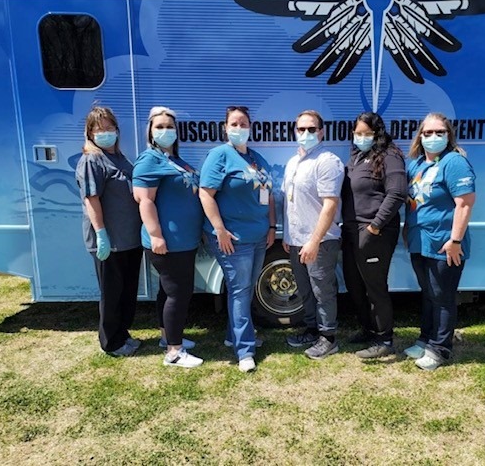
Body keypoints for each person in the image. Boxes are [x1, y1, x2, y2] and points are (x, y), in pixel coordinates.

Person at [199, 106, 275, 373]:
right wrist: (219, 229)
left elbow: (268, 194)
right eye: (234, 123)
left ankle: (235, 336)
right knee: (240, 291)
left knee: (245, 289)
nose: (239, 127)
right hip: (234, 238)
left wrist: (272, 226)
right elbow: (206, 194)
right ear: (225, 127)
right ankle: (245, 350)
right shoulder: (219, 155)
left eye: (244, 123)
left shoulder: (256, 159)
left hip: (258, 236)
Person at [403, 112, 476, 370]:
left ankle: (440, 349)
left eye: (439, 133)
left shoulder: (454, 162)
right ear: (420, 136)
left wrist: (455, 240)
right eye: (427, 133)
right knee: (429, 294)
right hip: (419, 241)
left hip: (446, 244)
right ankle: (425, 339)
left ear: (448, 135)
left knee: (443, 296)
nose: (432, 137)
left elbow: (465, 204)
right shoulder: (416, 164)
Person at [133, 106, 204, 368]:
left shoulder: (174, 159)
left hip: (184, 241)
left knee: (168, 290)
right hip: (168, 242)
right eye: (159, 127)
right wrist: (156, 235)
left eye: (170, 126)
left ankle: (168, 338)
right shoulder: (149, 159)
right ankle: (174, 353)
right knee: (179, 293)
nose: (165, 131)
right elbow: (144, 201)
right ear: (150, 132)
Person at [76, 106, 143, 357]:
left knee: (127, 291)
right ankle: (110, 343)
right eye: (99, 129)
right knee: (112, 293)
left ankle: (122, 334)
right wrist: (101, 233)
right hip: (110, 241)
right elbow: (91, 199)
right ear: (90, 133)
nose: (105, 132)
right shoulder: (92, 160)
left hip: (129, 239)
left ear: (116, 129)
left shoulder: (120, 158)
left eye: (109, 127)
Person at [341, 112, 406, 358]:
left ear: (377, 133)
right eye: (358, 133)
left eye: (367, 133)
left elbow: (397, 194)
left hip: (374, 232)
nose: (361, 137)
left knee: (375, 287)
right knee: (355, 285)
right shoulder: (357, 156)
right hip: (350, 231)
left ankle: (384, 339)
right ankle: (367, 329)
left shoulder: (390, 156)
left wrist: (375, 227)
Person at [283, 110, 344, 360]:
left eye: (311, 129)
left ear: (321, 132)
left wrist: (314, 241)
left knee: (322, 290)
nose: (306, 134)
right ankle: (311, 329)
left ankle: (328, 338)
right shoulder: (293, 162)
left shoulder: (327, 161)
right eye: (301, 129)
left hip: (320, 241)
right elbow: (290, 201)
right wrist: (289, 236)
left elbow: (330, 205)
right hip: (296, 241)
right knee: (306, 290)